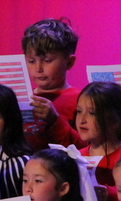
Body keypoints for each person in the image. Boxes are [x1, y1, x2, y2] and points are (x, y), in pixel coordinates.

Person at [20, 18, 82, 151]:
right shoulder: (22, 98)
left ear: (69, 62)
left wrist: (55, 120)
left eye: (47, 60)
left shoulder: (80, 100)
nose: (38, 68)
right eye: (31, 61)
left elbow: (86, 148)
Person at [75, 82, 121, 201]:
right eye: (79, 111)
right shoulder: (77, 156)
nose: (82, 120)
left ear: (115, 121)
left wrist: (110, 196)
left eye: (92, 113)